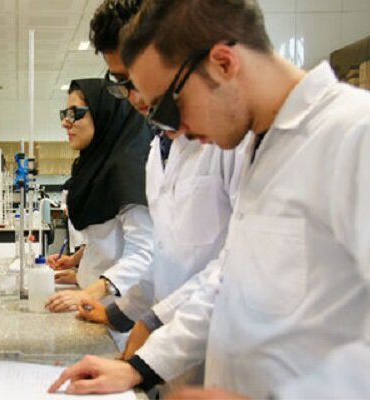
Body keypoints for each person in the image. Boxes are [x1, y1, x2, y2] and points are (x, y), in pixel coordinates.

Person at [49, 0, 370, 398]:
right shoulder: (264, 145)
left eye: (168, 106)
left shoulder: (355, 134)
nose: (171, 129)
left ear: (223, 63)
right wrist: (141, 367)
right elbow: (227, 278)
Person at [77, 0, 247, 370]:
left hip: (225, 351)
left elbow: (239, 265)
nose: (136, 96)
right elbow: (166, 255)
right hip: (177, 355)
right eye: (122, 83)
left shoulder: (237, 141)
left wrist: (153, 324)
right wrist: (121, 314)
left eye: (137, 79)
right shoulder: (159, 149)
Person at [45, 78, 154, 312]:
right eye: (65, 114)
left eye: (75, 113)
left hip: (119, 309)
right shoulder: (96, 167)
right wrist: (78, 267)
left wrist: (89, 292)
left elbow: (144, 251)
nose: (65, 122)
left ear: (104, 114)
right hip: (94, 298)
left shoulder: (127, 169)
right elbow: (108, 234)